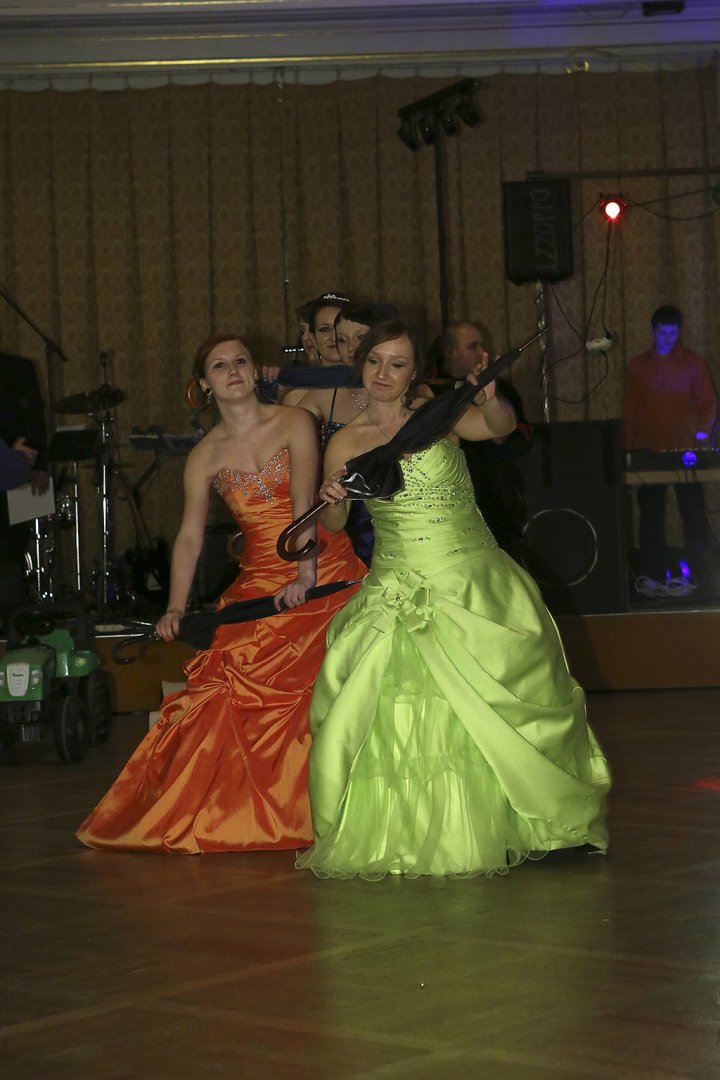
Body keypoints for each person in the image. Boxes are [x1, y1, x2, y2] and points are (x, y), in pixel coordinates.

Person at [295, 319, 611, 880]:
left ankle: (534, 823)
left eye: (397, 364)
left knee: (504, 699)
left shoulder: (438, 417)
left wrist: (490, 401)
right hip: (396, 584)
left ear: (415, 371)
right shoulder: (344, 441)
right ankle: (422, 834)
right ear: (361, 367)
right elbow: (337, 522)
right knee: (402, 714)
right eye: (374, 362)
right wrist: (332, 497)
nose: (384, 374)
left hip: (473, 580)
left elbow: (498, 427)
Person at [77, 333, 367, 854]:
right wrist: (175, 606)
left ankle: (335, 808)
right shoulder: (203, 455)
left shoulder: (295, 421)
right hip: (257, 579)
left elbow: (303, 504)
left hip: (321, 566)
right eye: (219, 365)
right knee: (227, 688)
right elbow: (189, 538)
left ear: (255, 372)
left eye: (240, 361)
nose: (232, 370)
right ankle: (235, 815)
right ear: (205, 385)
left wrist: (304, 576)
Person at [623, 305, 717, 583]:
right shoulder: (637, 366)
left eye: (673, 334)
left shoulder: (693, 363)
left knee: (693, 509)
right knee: (651, 512)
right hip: (648, 449)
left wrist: (702, 434)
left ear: (679, 332)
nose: (668, 339)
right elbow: (630, 410)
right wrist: (628, 448)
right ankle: (653, 574)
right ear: (653, 331)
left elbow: (708, 403)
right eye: (663, 333)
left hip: (685, 448)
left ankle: (699, 573)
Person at [438, 321, 532, 564]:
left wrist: (491, 406)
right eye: (473, 346)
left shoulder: (501, 390)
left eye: (482, 345)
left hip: (494, 499)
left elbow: (521, 440)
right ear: (450, 352)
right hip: (446, 508)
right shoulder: (429, 392)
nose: (482, 352)